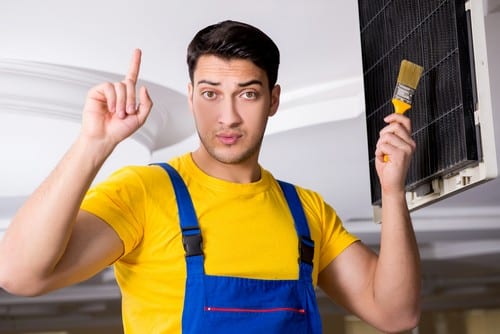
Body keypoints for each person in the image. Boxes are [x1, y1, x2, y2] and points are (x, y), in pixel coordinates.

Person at [0, 20, 420, 333]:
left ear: (273, 100)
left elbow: (396, 313)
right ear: (190, 96)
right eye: (210, 93)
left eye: (248, 94)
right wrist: (92, 144)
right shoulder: (145, 193)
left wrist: (393, 191)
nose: (228, 117)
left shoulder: (307, 211)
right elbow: (19, 274)